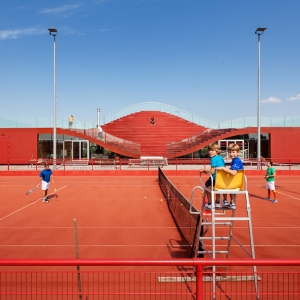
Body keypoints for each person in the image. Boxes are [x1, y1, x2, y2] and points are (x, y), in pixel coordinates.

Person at [200, 143, 225, 209]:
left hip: (214, 179)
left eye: (212, 150)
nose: (210, 152)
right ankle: (217, 203)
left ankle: (210, 203)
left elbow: (212, 171)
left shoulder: (213, 159)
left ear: (217, 151)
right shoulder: (221, 158)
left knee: (207, 185)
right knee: (218, 188)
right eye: (209, 150)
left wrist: (204, 170)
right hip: (221, 179)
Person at [219, 143, 244, 210]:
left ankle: (225, 201)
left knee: (222, 182)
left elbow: (233, 173)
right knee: (228, 184)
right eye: (230, 152)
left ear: (238, 152)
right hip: (235, 182)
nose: (231, 154)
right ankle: (231, 203)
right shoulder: (234, 160)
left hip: (236, 183)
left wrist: (224, 168)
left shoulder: (236, 161)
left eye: (233, 152)